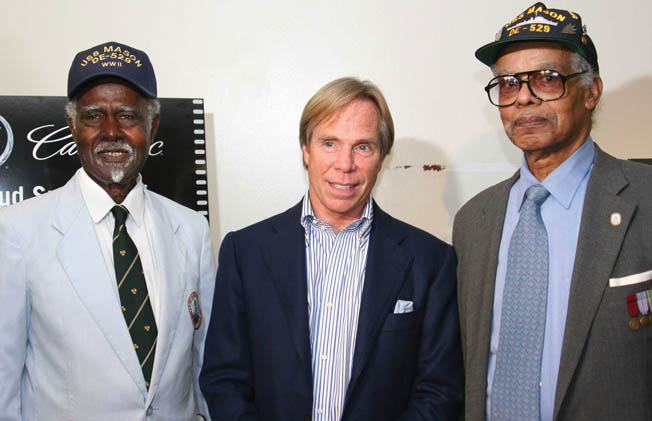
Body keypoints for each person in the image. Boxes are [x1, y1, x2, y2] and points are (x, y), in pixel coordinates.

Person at [200, 77, 463, 420]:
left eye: (363, 147)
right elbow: (224, 380)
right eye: (329, 143)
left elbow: (439, 391)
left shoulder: (430, 260)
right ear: (306, 150)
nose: (345, 164)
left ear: (381, 157)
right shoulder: (245, 252)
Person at [453, 3, 652, 420]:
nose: (524, 96)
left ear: (592, 91)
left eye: (546, 79)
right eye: (508, 84)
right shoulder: (474, 220)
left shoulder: (644, 198)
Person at [0, 41, 215, 420]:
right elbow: (4, 377)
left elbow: (204, 368)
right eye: (93, 116)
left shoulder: (192, 230)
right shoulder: (17, 232)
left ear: (153, 125)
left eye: (128, 116)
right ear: (72, 125)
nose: (111, 132)